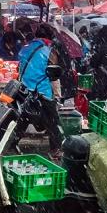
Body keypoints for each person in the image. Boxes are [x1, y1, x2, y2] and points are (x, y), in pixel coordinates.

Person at [17, 24, 63, 160]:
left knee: (21, 120)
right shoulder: (48, 51)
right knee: (53, 122)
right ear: (49, 37)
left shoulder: (25, 47)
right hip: (41, 91)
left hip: (23, 89)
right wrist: (57, 95)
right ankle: (56, 149)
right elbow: (54, 74)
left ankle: (10, 143)